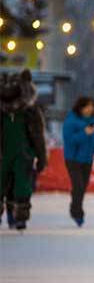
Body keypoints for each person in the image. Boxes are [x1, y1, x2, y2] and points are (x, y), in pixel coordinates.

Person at [0, 70, 47, 231]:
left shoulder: (31, 112)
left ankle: (18, 217)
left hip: (23, 153)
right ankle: (14, 216)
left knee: (21, 186)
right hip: (4, 153)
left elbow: (38, 137)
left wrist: (41, 157)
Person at [62, 96, 94, 227]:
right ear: (80, 107)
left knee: (82, 187)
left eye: (92, 106)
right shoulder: (71, 120)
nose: (90, 109)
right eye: (87, 106)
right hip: (73, 159)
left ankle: (75, 206)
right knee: (78, 185)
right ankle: (77, 212)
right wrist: (85, 133)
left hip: (87, 160)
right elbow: (69, 140)